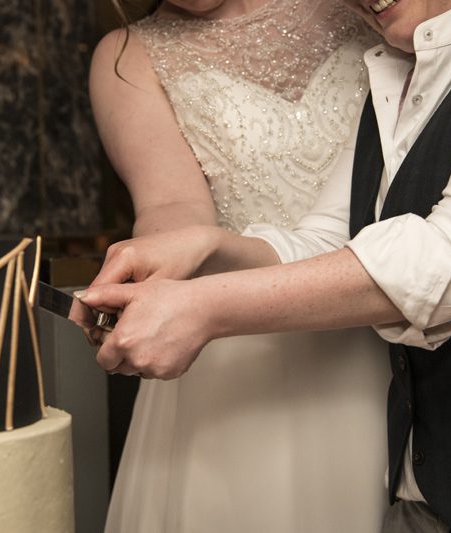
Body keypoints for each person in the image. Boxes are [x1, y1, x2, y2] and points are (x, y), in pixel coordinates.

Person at [80, 0, 451, 531]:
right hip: (429, 497)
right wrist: (204, 247)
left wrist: (206, 307)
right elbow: (328, 236)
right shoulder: (396, 62)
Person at [88, 1, 390, 532]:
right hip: (231, 344)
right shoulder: (127, 56)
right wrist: (157, 269)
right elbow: (169, 203)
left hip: (385, 317)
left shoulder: (371, 8)